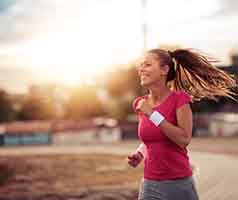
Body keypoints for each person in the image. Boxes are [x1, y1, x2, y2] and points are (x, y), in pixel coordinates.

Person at [127, 48, 236, 200]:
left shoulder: (179, 99)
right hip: (150, 183)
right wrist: (140, 153)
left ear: (164, 69)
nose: (141, 69)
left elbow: (183, 139)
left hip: (178, 184)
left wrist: (152, 114)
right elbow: (154, 137)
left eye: (147, 64)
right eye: (141, 65)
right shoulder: (140, 104)